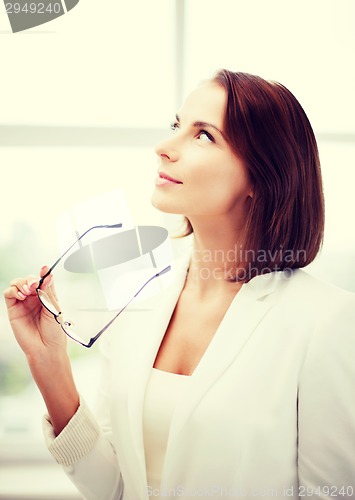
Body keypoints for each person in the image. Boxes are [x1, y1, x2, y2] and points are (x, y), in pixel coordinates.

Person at [4, 70, 355, 500]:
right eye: (176, 126)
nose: (164, 148)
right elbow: (116, 488)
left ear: (261, 179)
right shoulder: (139, 303)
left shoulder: (326, 322)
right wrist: (49, 363)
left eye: (203, 135)